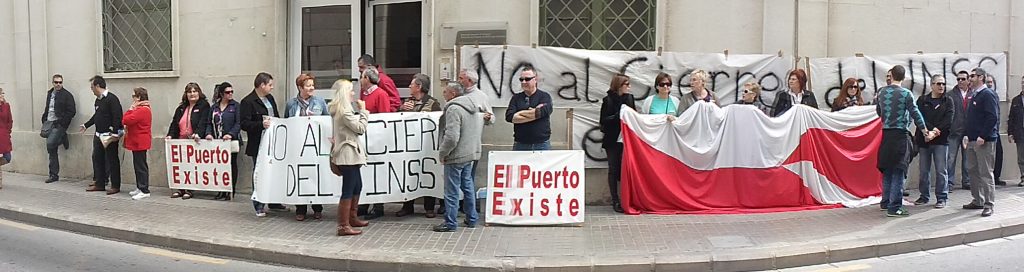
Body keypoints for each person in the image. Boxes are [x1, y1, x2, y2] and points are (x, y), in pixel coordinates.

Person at [875, 65, 934, 217]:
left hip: (886, 134)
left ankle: (885, 202)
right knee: (899, 171)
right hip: (900, 135)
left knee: (887, 169)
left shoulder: (881, 92)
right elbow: (915, 112)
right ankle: (895, 207)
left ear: (892, 75)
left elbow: (879, 112)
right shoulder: (906, 94)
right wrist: (924, 130)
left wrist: (886, 118)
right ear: (903, 77)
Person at [433, 83, 483, 232]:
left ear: (453, 93)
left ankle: (450, 222)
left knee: (451, 190)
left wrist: (442, 153)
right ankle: (472, 218)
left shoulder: (453, 108)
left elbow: (452, 137)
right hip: (470, 153)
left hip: (456, 155)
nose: (443, 92)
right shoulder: (471, 106)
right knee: (467, 186)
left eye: (446, 91)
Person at [240, 72, 288, 217]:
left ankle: (274, 201)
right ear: (262, 85)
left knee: (274, 171)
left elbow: (276, 115)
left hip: (272, 141)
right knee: (259, 172)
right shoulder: (248, 102)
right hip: (258, 142)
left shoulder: (270, 98)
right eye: (270, 85)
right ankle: (259, 204)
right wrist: (261, 124)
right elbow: (244, 123)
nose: (272, 88)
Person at [397, 73, 443, 218]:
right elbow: (398, 120)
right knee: (408, 175)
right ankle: (407, 205)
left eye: (412, 84)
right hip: (409, 146)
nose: (409, 87)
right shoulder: (407, 102)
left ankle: (429, 207)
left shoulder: (433, 103)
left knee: (427, 174)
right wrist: (402, 110)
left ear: (419, 86)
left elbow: (438, 123)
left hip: (426, 146)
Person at [328, 79, 370, 236]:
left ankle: (352, 217)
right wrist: (364, 111)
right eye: (351, 90)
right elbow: (360, 128)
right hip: (347, 154)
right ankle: (343, 225)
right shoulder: (344, 111)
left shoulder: (342, 110)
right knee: (349, 188)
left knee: (356, 185)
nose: (353, 93)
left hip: (350, 153)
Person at [286, 74, 330, 221]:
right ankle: (301, 208)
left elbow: (327, 121)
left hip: (315, 146)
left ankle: (317, 208)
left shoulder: (320, 102)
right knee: (301, 176)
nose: (311, 88)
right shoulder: (291, 104)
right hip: (299, 147)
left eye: (312, 85)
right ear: (300, 87)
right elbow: (287, 123)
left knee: (316, 175)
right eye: (308, 85)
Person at [962, 68, 999, 217]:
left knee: (985, 173)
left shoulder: (987, 95)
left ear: (981, 77)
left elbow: (992, 117)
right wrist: (966, 135)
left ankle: (989, 204)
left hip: (984, 141)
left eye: (972, 76)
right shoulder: (973, 95)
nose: (969, 79)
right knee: (972, 171)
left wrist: (983, 135)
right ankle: (978, 199)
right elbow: (970, 119)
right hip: (971, 140)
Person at [913, 75, 954, 208]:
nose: (941, 86)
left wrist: (935, 132)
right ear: (932, 85)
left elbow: (948, 119)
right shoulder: (922, 100)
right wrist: (928, 132)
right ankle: (924, 196)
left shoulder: (948, 101)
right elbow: (919, 117)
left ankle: (942, 197)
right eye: (938, 84)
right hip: (924, 140)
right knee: (924, 170)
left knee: (941, 170)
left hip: (941, 141)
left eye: (943, 84)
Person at [357, 66, 392, 220]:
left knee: (378, 171)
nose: (360, 79)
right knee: (366, 171)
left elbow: (384, 117)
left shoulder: (381, 94)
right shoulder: (364, 94)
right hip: (365, 137)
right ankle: (364, 203)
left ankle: (378, 206)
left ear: (368, 79)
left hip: (377, 139)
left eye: (362, 76)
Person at [166, 83, 211, 200]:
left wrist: (198, 133)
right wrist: (170, 135)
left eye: (195, 91)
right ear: (186, 94)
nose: (192, 94)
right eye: (190, 92)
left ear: (199, 93)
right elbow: (174, 123)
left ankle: (190, 190)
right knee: (181, 166)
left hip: (193, 141)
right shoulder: (181, 108)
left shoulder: (204, 106)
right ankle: (180, 189)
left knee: (192, 166)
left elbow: (203, 122)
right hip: (181, 140)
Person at [599, 73, 636, 214]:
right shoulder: (608, 100)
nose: (629, 87)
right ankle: (615, 200)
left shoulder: (629, 99)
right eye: (627, 84)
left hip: (627, 140)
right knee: (613, 169)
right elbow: (603, 121)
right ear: (619, 85)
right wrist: (617, 116)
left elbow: (634, 117)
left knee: (626, 169)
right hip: (612, 140)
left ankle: (628, 197)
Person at [82, 76, 124, 195]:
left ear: (98, 86)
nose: (91, 90)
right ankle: (100, 183)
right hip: (98, 134)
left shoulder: (112, 99)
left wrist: (115, 132)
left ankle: (115, 185)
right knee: (97, 158)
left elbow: (117, 116)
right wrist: (86, 125)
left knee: (112, 160)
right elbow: (97, 116)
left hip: (109, 135)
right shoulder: (98, 100)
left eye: (92, 87)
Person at [205, 82, 242, 201]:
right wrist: (209, 133)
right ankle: (221, 189)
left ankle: (230, 190)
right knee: (219, 166)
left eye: (232, 92)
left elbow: (238, 123)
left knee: (231, 165)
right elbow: (209, 123)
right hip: (217, 141)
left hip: (230, 141)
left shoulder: (235, 106)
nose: (230, 94)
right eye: (227, 92)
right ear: (221, 93)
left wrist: (230, 134)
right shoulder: (214, 107)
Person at [505, 65, 554, 151]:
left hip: (541, 144)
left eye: (527, 79)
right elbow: (509, 117)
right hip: (520, 144)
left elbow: (543, 111)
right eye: (521, 79)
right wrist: (534, 113)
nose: (524, 82)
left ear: (535, 79)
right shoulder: (516, 98)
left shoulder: (544, 96)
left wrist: (519, 113)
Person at [41, 74, 76, 183]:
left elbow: (72, 111)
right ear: (53, 83)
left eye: (60, 82)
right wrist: (44, 118)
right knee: (50, 147)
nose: (58, 84)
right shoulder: (50, 93)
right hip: (49, 123)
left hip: (59, 124)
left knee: (50, 145)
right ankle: (62, 137)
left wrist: (62, 122)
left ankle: (53, 174)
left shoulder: (67, 95)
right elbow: (48, 108)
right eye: (56, 82)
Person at [123, 87, 153, 200]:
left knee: (141, 166)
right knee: (137, 165)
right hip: (137, 141)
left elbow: (126, 120)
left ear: (139, 97)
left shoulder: (142, 110)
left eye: (133, 96)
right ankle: (139, 187)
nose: (132, 99)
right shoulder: (141, 109)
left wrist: (130, 109)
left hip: (140, 141)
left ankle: (144, 189)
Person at [948, 70, 972, 190]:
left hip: (968, 132)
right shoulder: (950, 94)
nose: (960, 81)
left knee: (967, 158)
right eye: (958, 79)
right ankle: (949, 183)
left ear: (968, 80)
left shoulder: (973, 94)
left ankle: (966, 181)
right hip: (954, 132)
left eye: (963, 79)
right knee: (951, 158)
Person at [986, 75, 1006, 186]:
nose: (989, 84)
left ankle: (996, 177)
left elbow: (997, 113)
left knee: (999, 153)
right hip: (986, 132)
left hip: (995, 130)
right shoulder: (981, 95)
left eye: (991, 82)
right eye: (987, 82)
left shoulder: (995, 95)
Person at [1008, 75, 1024, 187]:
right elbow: (1011, 118)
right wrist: (1010, 133)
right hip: (1020, 132)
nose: (1023, 85)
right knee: (1021, 157)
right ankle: (1023, 177)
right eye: (1022, 83)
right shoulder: (1016, 100)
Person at [0, 88, 11, 190]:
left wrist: (8, 132)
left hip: (4, 136)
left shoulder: (6, 106)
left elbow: (9, 120)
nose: (3, 94)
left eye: (3, 92)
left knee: (8, 158)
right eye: (1, 93)